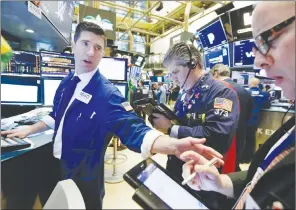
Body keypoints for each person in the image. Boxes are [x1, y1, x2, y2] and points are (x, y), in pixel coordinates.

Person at [1, 22, 224, 209]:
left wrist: (173, 145)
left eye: (98, 48)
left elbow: (134, 128)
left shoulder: (106, 94)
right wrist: (30, 129)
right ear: (74, 44)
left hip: (84, 180)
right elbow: (56, 114)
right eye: (85, 44)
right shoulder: (67, 82)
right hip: (55, 169)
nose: (91, 52)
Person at [181, 2, 295, 209]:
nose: (257, 62)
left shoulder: (223, 92)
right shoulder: (291, 128)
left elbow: (217, 131)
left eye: (267, 39)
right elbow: (262, 176)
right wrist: (221, 182)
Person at [152, 42, 240, 182]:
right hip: (177, 166)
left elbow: (217, 136)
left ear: (194, 63)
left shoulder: (222, 93)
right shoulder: (184, 93)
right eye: (170, 74)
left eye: (175, 72)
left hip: (203, 175)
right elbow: (181, 121)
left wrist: (171, 128)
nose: (173, 78)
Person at [210, 64, 253, 170]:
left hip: (226, 140)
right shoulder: (244, 90)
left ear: (215, 73)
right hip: (240, 137)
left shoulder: (222, 90)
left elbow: (220, 118)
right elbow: (249, 114)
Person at [242, 77, 271, 162]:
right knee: (251, 139)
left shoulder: (245, 92)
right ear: (258, 84)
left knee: (243, 139)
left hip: (244, 119)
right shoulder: (264, 94)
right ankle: (249, 158)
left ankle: (242, 158)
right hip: (254, 120)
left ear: (249, 83)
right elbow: (267, 105)